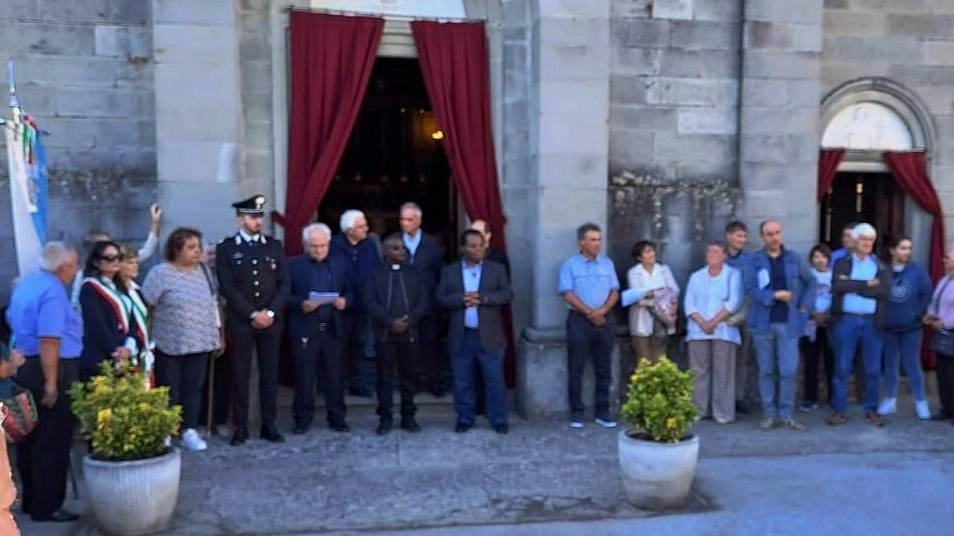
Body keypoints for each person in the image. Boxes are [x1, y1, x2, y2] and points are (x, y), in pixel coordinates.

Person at [5, 242, 82, 523]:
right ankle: (47, 506)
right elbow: (50, 339)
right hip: (52, 367)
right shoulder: (53, 291)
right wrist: (52, 383)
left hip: (26, 364)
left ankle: (32, 500)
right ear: (64, 268)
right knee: (53, 439)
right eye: (74, 264)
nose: (76, 270)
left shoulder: (27, 284)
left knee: (30, 437)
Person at [215, 195, 290, 446]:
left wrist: (269, 313)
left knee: (269, 374)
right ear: (240, 219)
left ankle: (269, 424)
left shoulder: (273, 246)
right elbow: (227, 286)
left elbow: (283, 283)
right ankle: (241, 425)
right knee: (241, 374)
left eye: (259, 216)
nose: (257, 221)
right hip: (242, 321)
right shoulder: (227, 249)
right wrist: (251, 314)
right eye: (252, 216)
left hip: (271, 322)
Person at [142, 228, 223, 451]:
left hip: (200, 340)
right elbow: (146, 304)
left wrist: (219, 334)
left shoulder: (204, 271)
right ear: (176, 249)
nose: (197, 251)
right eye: (191, 247)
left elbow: (213, 303)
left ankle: (189, 429)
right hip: (170, 341)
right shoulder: (161, 273)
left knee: (193, 387)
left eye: (198, 246)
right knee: (170, 388)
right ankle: (166, 430)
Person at [436, 230, 513, 434]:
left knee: (495, 380)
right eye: (472, 246)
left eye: (481, 245)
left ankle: (497, 418)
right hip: (462, 336)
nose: (478, 249)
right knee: (462, 381)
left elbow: (507, 294)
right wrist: (461, 299)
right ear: (462, 248)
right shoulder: (450, 271)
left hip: (490, 336)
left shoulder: (496, 269)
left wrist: (483, 298)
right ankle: (465, 418)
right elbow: (441, 298)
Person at [745, 220, 813, 432]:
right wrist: (774, 295)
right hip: (763, 324)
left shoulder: (794, 258)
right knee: (766, 371)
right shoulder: (755, 260)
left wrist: (804, 307)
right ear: (762, 237)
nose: (774, 237)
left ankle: (786, 414)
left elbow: (811, 282)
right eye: (769, 234)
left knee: (788, 371)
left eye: (777, 233)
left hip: (789, 323)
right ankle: (769, 414)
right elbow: (750, 289)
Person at [288, 223, 353, 434]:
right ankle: (302, 419)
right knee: (305, 376)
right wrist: (301, 304)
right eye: (314, 246)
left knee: (335, 376)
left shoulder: (340, 263)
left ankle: (337, 418)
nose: (319, 250)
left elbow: (352, 289)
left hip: (333, 327)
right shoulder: (293, 265)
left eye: (323, 246)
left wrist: (346, 301)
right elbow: (283, 296)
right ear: (306, 245)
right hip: (306, 327)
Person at [365, 235, 430, 435]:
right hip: (385, 334)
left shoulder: (415, 274)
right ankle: (385, 419)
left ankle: (408, 417)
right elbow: (370, 301)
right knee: (384, 379)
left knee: (409, 378)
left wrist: (409, 320)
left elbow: (424, 301)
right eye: (395, 248)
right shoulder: (375, 275)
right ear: (385, 252)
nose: (400, 251)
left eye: (402, 248)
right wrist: (389, 321)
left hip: (409, 333)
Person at [559, 223, 619, 429]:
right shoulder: (570, 265)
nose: (597, 243)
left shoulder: (607, 264)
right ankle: (577, 412)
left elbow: (615, 291)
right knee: (576, 368)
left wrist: (602, 312)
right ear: (581, 242)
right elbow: (567, 292)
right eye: (592, 239)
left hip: (605, 319)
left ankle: (602, 411)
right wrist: (589, 313)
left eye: (599, 239)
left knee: (604, 368)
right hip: (579, 320)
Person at [829, 223, 890, 426]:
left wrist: (854, 287)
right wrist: (866, 284)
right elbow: (839, 286)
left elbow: (883, 292)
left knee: (872, 369)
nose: (867, 243)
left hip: (872, 322)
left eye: (870, 240)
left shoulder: (880, 265)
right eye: (863, 239)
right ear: (855, 241)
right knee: (842, 367)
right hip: (847, 320)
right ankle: (839, 410)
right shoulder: (842, 263)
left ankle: (871, 410)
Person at [684, 241, 743, 424]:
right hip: (698, 330)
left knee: (723, 373)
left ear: (724, 255)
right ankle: (698, 410)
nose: (711, 255)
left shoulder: (733, 275)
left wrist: (714, 322)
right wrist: (702, 322)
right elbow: (689, 304)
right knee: (698, 371)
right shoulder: (696, 276)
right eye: (709, 251)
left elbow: (733, 302)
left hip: (724, 330)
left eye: (716, 252)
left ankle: (723, 413)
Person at [878, 237, 932, 419]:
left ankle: (921, 402)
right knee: (890, 364)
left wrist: (917, 314)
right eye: (902, 248)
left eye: (909, 248)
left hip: (912, 327)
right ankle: (891, 399)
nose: (907, 252)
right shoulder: (883, 271)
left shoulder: (917, 271)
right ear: (892, 250)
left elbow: (926, 293)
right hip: (889, 327)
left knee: (912, 364)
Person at [330, 209, 382, 398]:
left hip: (363, 304)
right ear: (349, 230)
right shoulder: (334, 245)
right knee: (339, 347)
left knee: (360, 345)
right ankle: (337, 385)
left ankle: (358, 383)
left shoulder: (369, 245)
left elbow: (375, 271)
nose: (366, 229)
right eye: (361, 226)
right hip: (339, 306)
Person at [71, 203, 163, 307]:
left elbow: (146, 251)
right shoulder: (84, 277)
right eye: (103, 247)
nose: (114, 260)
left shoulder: (119, 262)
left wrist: (155, 224)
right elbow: (76, 305)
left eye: (110, 244)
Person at [399, 202, 446, 396]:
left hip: (428, 304)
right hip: (402, 305)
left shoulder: (431, 243)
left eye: (409, 219)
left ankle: (433, 382)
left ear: (419, 221)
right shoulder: (394, 242)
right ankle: (411, 383)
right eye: (402, 219)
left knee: (430, 344)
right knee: (407, 347)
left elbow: (439, 272)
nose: (405, 223)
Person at [78, 241, 137, 380]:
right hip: (101, 356)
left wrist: (129, 347)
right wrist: (116, 351)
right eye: (109, 258)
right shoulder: (90, 287)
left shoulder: (120, 287)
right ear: (97, 262)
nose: (115, 261)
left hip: (125, 353)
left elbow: (132, 320)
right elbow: (97, 324)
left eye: (118, 257)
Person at [626, 240, 679, 363]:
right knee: (643, 362)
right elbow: (637, 297)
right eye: (647, 252)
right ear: (639, 257)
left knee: (660, 361)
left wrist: (651, 295)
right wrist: (660, 294)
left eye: (652, 251)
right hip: (641, 322)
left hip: (662, 321)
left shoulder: (664, 270)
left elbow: (674, 291)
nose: (651, 254)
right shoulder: (634, 272)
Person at [199, 242, 232, 435]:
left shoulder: (225, 275)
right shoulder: (197, 276)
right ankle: (202, 421)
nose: (212, 258)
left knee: (222, 379)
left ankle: (220, 419)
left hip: (224, 332)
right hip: (201, 333)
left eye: (216, 255)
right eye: (208, 254)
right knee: (201, 381)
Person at [724, 221, 756, 414]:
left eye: (744, 236)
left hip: (745, 312)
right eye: (738, 236)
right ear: (728, 235)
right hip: (723, 314)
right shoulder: (719, 257)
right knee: (723, 357)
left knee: (743, 359)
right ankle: (724, 396)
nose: (742, 240)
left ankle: (740, 396)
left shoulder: (751, 260)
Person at [799, 244, 834, 413]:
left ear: (828, 259)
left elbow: (838, 298)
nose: (820, 260)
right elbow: (801, 299)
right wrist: (814, 314)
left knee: (831, 362)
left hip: (829, 323)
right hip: (809, 324)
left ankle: (833, 397)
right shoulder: (807, 276)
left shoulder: (834, 277)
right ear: (811, 259)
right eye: (816, 257)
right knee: (810, 363)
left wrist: (826, 315)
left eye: (823, 256)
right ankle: (809, 398)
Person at [118, 245, 156, 387]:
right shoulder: (115, 292)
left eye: (136, 263)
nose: (134, 266)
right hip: (124, 348)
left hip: (142, 348)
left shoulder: (138, 290)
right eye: (129, 262)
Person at [925, 247, 954, 425]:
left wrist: (945, 323)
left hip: (951, 330)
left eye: (948, 258)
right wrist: (931, 315)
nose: (944, 260)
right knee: (943, 373)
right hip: (942, 333)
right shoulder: (944, 280)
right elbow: (935, 301)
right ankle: (946, 409)